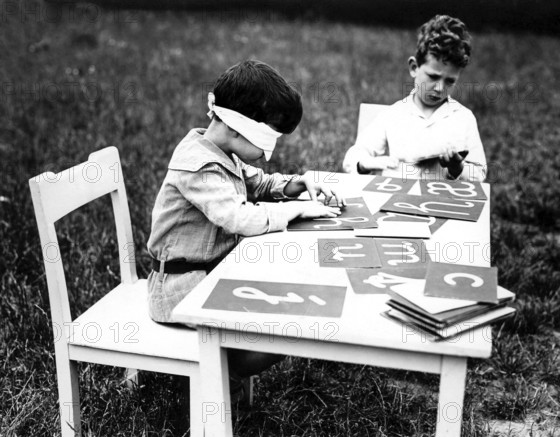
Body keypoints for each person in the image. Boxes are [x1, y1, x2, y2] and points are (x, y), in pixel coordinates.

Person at [147, 60, 345, 382]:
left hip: (214, 275)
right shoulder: (197, 166)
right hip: (181, 290)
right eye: (268, 140)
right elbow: (239, 217)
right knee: (285, 331)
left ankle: (225, 368)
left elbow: (259, 184)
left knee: (289, 308)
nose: (269, 153)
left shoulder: (226, 153)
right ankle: (214, 378)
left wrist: (298, 184)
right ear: (238, 125)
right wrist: (297, 210)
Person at [343, 15, 487, 182]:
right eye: (433, 76)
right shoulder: (393, 115)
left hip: (441, 204)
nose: (440, 88)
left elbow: (479, 175)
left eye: (450, 81)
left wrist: (457, 168)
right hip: (396, 202)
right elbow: (353, 158)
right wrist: (364, 164)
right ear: (414, 68)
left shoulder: (463, 118)